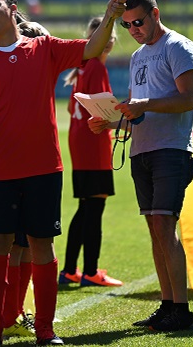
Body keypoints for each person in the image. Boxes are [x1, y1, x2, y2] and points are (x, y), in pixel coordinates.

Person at [0, 0, 124, 346]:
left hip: (43, 167)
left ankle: (46, 332)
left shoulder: (45, 48)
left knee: (41, 246)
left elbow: (94, 48)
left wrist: (110, 16)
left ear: (12, 7)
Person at [88, 0, 193, 332]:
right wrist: (111, 119)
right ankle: (167, 306)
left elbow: (189, 100)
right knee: (155, 231)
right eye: (127, 24)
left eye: (139, 21)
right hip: (142, 150)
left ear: (155, 13)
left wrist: (144, 104)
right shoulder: (137, 55)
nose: (134, 28)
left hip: (171, 151)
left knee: (165, 227)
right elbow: (138, 107)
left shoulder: (178, 46)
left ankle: (181, 311)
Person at [60, 17, 122, 288]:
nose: (107, 37)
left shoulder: (84, 65)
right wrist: (123, 118)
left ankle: (71, 269)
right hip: (93, 143)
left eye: (110, 32)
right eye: (101, 32)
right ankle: (90, 271)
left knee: (86, 205)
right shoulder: (95, 65)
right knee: (94, 206)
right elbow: (101, 110)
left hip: (80, 142)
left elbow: (71, 108)